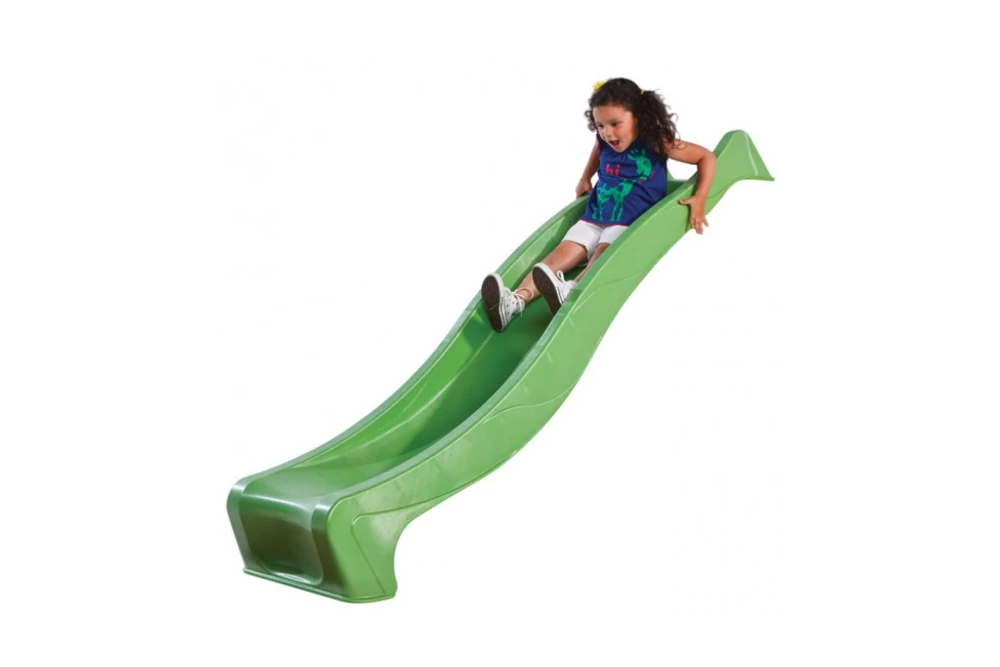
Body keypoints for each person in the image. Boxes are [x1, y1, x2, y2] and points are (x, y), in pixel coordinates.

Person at [481, 77, 717, 333]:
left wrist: (700, 197)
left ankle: (571, 290)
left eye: (615, 124)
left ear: (638, 116)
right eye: (601, 125)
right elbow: (597, 149)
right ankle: (515, 302)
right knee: (556, 257)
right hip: (594, 214)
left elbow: (706, 157)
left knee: (602, 253)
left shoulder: (656, 140)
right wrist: (585, 177)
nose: (607, 133)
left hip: (630, 220)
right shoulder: (604, 140)